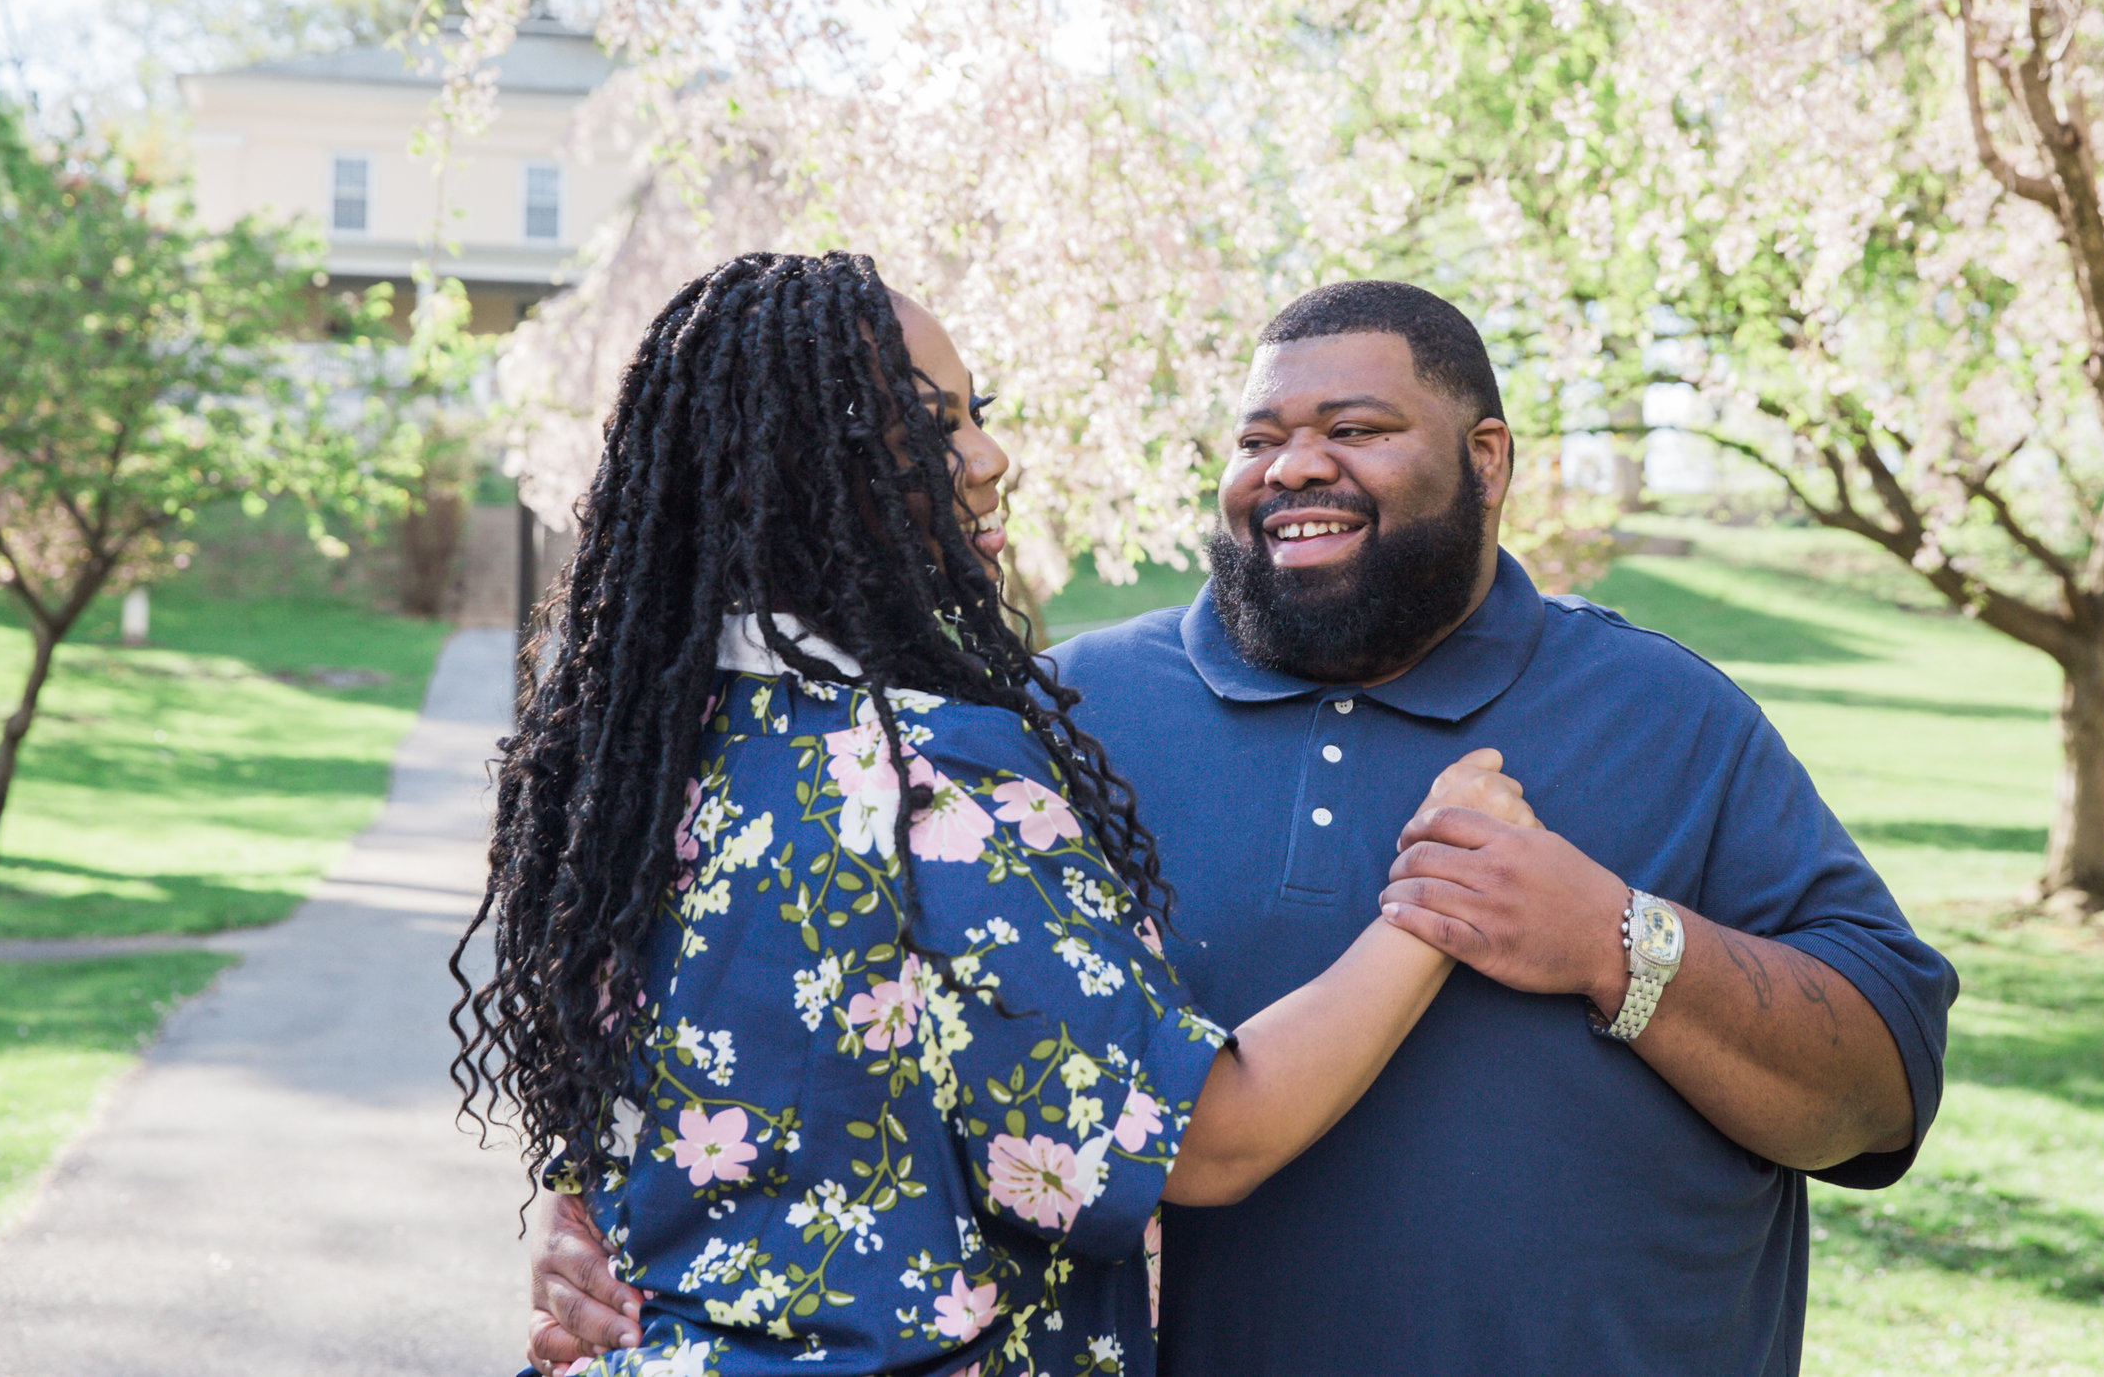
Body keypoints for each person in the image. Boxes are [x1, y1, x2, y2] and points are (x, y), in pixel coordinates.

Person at [529, 278, 1958, 1377]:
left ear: (1489, 456)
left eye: (1356, 429)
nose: (1293, 467)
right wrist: (600, 1219)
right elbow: (804, 1017)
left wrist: (1614, 939)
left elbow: (1881, 1088)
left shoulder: (1664, 710)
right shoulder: (1048, 717)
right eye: (1260, 435)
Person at [454, 255, 1553, 1377]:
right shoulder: (927, 778)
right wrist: (1431, 904)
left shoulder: (638, 764)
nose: (989, 457)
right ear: (799, 471)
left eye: (976, 414)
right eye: (933, 427)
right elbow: (1210, 1138)